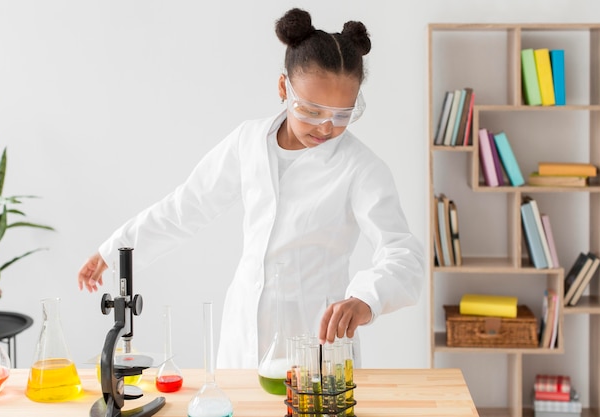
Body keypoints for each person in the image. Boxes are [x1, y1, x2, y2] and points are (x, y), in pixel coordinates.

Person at [77, 8, 424, 369]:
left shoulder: (361, 168)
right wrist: (116, 249)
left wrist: (366, 299)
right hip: (243, 337)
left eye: (341, 115)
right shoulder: (248, 141)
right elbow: (187, 206)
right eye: (311, 111)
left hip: (317, 341)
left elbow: (403, 254)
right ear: (282, 88)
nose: (325, 128)